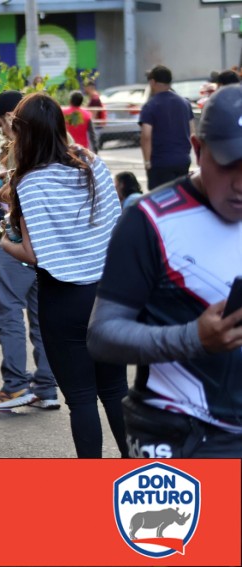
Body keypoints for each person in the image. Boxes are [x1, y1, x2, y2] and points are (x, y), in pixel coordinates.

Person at [88, 84, 242, 458]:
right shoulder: (148, 220)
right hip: (179, 435)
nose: (240, 184)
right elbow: (102, 335)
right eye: (228, 164)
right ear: (197, 150)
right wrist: (193, 338)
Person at [0, 92, 127, 459]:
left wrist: (3, 242)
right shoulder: (92, 166)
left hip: (62, 299)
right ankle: (137, 471)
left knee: (82, 399)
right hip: (107, 295)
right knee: (116, 391)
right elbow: (114, 225)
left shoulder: (28, 182)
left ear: (23, 133)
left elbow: (33, 253)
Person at [0, 90, 58, 412]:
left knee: (7, 311)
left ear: (13, 117)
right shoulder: (56, 144)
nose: (2, 130)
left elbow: (17, 195)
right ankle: (46, 386)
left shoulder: (24, 145)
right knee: (41, 318)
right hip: (48, 244)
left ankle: (15, 385)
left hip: (19, 241)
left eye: (1, 123)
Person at [140, 65, 195, 189]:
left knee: (161, 198)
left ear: (153, 82)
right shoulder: (185, 103)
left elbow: (146, 136)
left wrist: (147, 162)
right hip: (183, 160)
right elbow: (192, 132)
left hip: (160, 162)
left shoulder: (150, 106)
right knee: (181, 195)